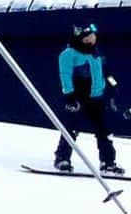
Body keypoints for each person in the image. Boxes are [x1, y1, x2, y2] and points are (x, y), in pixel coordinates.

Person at [53, 23, 124, 174]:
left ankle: (108, 161)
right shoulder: (69, 54)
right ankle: (62, 158)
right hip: (78, 98)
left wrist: (113, 86)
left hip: (97, 98)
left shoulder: (96, 54)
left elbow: (107, 73)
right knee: (71, 129)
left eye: (94, 36)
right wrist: (70, 95)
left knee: (104, 131)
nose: (93, 39)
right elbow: (65, 75)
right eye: (90, 36)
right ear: (82, 38)